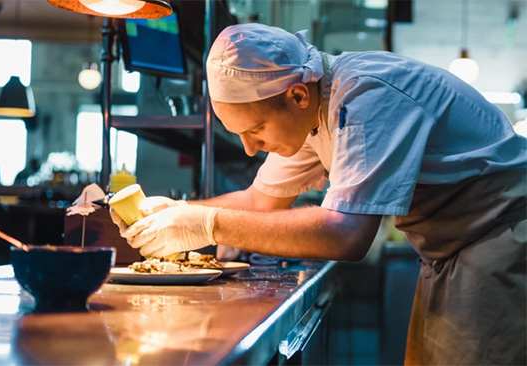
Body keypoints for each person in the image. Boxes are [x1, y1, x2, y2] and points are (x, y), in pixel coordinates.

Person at [110, 23, 526, 364]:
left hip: (500, 244)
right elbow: (259, 200)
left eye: (255, 130)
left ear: (296, 95)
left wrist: (207, 223)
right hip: (452, 254)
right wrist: (176, 213)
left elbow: (346, 234)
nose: (250, 148)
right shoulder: (311, 112)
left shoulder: (365, 97)